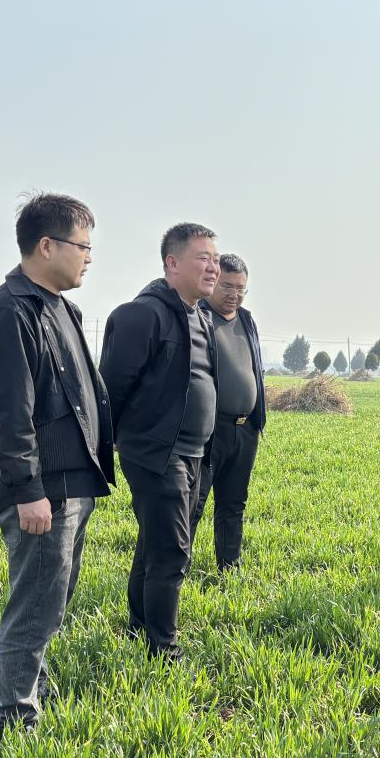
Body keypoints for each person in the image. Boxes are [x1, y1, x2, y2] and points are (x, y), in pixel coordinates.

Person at [0, 193, 115, 730]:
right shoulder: (10, 311)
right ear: (47, 245)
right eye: (83, 245)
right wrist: (27, 490)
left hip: (74, 483)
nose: (89, 257)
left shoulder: (60, 308)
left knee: (53, 597)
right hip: (44, 490)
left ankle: (33, 683)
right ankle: (16, 714)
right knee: (34, 604)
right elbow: (8, 415)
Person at [99, 223, 220, 659]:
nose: (213, 267)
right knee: (172, 550)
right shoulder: (143, 315)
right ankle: (163, 649)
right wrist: (112, 441)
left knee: (154, 544)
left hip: (195, 453)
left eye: (216, 259)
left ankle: (139, 628)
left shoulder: (202, 315)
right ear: (172, 262)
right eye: (203, 258)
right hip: (157, 452)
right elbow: (111, 387)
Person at [191, 254, 267, 570]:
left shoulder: (247, 320)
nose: (234, 294)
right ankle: (176, 568)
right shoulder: (197, 317)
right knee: (193, 504)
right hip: (210, 430)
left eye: (241, 288)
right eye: (227, 286)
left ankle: (229, 566)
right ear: (213, 282)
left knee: (234, 502)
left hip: (245, 429)